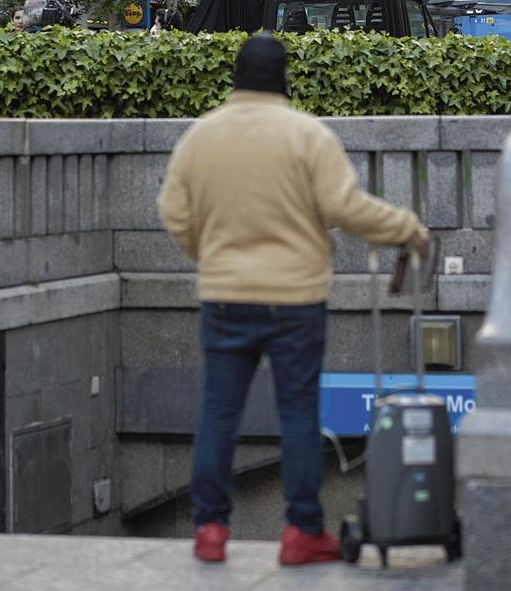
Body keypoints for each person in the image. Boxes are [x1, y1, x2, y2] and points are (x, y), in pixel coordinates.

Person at [157, 34, 429, 566]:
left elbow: (173, 212)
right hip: (295, 299)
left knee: (217, 413)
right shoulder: (307, 135)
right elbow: (343, 206)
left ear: (235, 77)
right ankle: (302, 531)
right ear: (284, 78)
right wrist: (407, 229)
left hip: (224, 294)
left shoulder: (200, 137)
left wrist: (211, 254)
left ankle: (210, 529)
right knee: (299, 414)